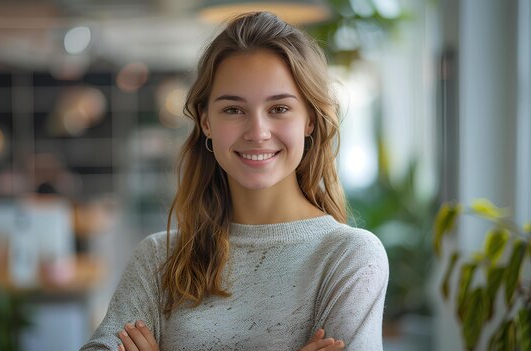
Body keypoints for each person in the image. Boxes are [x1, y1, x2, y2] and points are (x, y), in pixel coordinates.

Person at [81, 11, 388, 351]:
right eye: (233, 110)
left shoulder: (349, 259)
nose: (257, 132)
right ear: (206, 122)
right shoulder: (158, 258)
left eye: (279, 109)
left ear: (310, 121)